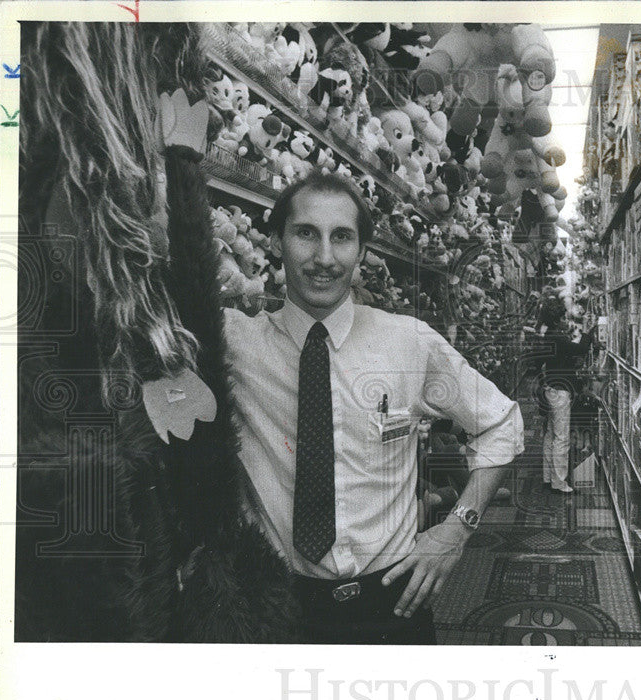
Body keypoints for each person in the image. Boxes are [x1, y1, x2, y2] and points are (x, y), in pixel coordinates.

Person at [223, 172, 524, 644]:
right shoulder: (234, 343)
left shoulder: (407, 341)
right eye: (306, 233)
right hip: (276, 608)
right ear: (277, 241)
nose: (324, 258)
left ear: (362, 251)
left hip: (392, 604)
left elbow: (503, 422)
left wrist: (457, 530)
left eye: (342, 237)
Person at [537, 297, 595, 494]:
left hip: (550, 388)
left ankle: (548, 477)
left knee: (550, 435)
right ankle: (559, 483)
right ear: (556, 320)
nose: (565, 320)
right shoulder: (557, 337)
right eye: (562, 317)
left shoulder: (549, 336)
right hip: (560, 392)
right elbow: (580, 349)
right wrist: (588, 332)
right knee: (561, 438)